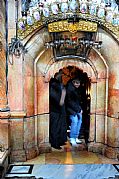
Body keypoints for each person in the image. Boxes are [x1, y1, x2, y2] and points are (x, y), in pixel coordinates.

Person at [49, 71, 67, 149]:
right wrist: (63, 94)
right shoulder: (53, 84)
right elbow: (57, 100)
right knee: (55, 127)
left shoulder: (57, 83)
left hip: (59, 109)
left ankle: (59, 141)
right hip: (55, 109)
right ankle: (54, 143)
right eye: (60, 74)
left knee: (60, 125)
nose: (61, 76)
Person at [66, 78, 83, 146]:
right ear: (73, 83)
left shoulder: (76, 89)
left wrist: (80, 109)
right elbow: (69, 102)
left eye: (79, 83)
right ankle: (72, 138)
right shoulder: (69, 90)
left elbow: (77, 101)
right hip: (71, 109)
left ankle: (76, 137)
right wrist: (78, 109)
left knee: (79, 121)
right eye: (76, 83)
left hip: (77, 109)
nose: (78, 85)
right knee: (75, 121)